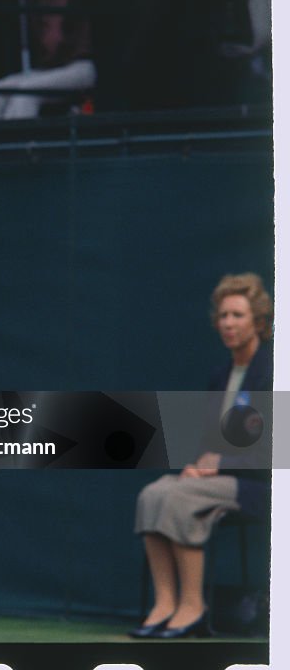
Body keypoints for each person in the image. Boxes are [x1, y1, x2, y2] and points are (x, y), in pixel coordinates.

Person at [130, 272, 272, 639]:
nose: (228, 323)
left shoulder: (272, 372)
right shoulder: (221, 374)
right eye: (223, 315)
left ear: (257, 320)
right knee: (153, 494)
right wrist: (198, 465)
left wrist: (218, 465)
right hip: (216, 481)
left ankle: (193, 606)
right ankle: (165, 604)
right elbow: (210, 441)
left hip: (257, 486)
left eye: (237, 315)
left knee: (179, 497)